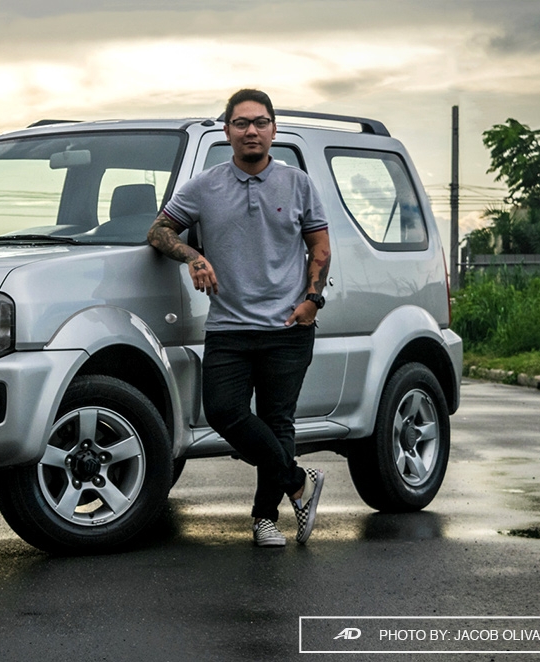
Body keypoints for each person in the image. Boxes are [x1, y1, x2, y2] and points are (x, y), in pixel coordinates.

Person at [147, 88, 330, 547]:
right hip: (228, 326)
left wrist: (312, 300)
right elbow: (159, 230)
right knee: (224, 412)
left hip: (287, 327)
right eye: (242, 123)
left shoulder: (298, 184)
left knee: (277, 420)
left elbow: (320, 248)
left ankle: (265, 518)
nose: (252, 130)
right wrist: (193, 256)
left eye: (260, 122)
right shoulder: (204, 186)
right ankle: (298, 482)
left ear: (274, 130)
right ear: (227, 131)